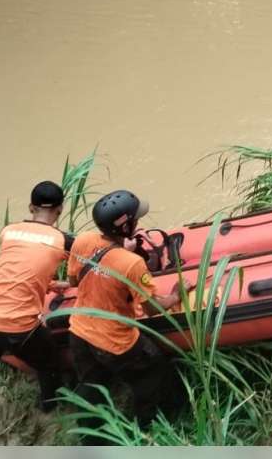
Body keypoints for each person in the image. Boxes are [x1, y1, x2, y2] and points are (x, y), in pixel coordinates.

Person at [65, 190, 193, 443]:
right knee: (153, 372)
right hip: (115, 341)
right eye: (135, 219)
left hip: (79, 331)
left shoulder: (83, 240)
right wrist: (177, 295)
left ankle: (92, 440)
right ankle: (148, 426)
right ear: (126, 226)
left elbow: (72, 280)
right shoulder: (131, 263)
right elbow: (152, 309)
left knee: (90, 387)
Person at [0, 181, 72, 425]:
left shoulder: (8, 231)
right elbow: (90, 253)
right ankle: (49, 410)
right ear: (60, 209)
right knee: (49, 364)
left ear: (30, 207)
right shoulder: (60, 239)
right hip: (19, 329)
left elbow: (20, 268)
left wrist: (47, 284)